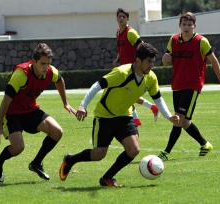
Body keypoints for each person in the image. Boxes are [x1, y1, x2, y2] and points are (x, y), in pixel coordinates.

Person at [59, 43, 179, 187]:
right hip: (105, 116)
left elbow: (157, 98)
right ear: (139, 61)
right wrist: (83, 106)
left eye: (153, 61)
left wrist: (168, 116)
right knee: (99, 155)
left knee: (134, 149)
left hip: (124, 116)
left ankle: (107, 177)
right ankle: (70, 160)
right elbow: (97, 85)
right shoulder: (121, 73)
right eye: (149, 61)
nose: (152, 65)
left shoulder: (151, 78)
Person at [0, 43, 76, 182]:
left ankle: (36, 163)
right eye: (42, 63)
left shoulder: (50, 71)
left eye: (48, 63)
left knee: (57, 131)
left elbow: (60, 81)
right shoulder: (21, 75)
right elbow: (5, 100)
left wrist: (65, 102)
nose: (46, 67)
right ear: (34, 61)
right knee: (18, 148)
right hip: (13, 114)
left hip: (31, 110)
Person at [158, 12, 220, 161]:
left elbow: (214, 61)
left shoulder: (201, 41)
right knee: (184, 122)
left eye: (189, 25)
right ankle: (204, 144)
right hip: (177, 85)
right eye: (184, 24)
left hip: (192, 86)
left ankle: (166, 152)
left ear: (194, 26)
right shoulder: (173, 40)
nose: (186, 27)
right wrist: (165, 59)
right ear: (179, 25)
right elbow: (166, 62)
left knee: (178, 119)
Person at [113, 7, 159, 126]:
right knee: (128, 92)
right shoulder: (118, 32)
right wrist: (118, 59)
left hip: (133, 68)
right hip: (124, 68)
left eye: (124, 17)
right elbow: (121, 49)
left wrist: (142, 63)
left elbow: (142, 46)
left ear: (128, 19)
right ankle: (149, 109)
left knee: (127, 92)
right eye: (119, 16)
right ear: (117, 19)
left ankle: (136, 119)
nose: (121, 18)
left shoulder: (131, 32)